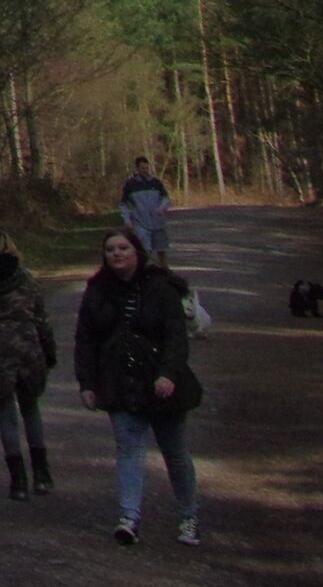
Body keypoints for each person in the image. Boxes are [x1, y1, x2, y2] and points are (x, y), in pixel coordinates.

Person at [76, 225, 205, 548]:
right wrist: (87, 383)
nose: (116, 254)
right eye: (110, 250)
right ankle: (129, 517)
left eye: (123, 248)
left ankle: (188, 516)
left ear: (137, 252)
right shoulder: (97, 290)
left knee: (175, 453)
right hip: (118, 384)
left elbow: (176, 337)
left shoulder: (161, 288)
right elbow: (85, 340)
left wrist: (168, 374)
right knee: (129, 450)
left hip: (162, 385)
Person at [0, 226, 59, 498]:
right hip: (27, 348)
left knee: (5, 414)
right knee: (31, 409)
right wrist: (49, 351)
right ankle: (41, 474)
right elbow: (41, 320)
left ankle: (18, 481)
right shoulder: (26, 278)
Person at [119, 155, 175, 265]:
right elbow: (124, 205)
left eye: (146, 168)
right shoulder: (130, 185)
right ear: (137, 168)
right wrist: (127, 220)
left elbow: (166, 199)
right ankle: (144, 270)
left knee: (161, 249)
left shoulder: (156, 183)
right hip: (140, 223)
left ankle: (164, 269)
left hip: (158, 222)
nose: (145, 170)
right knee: (144, 250)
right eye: (142, 168)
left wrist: (162, 208)